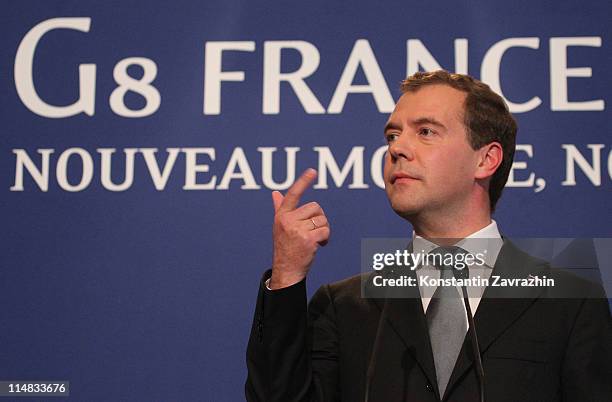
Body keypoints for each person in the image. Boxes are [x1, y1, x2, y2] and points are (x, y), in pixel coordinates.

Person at [245, 70, 612, 402]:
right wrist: (288, 273)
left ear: (486, 160)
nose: (397, 148)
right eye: (392, 134)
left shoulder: (569, 303)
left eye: (425, 132)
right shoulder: (344, 307)